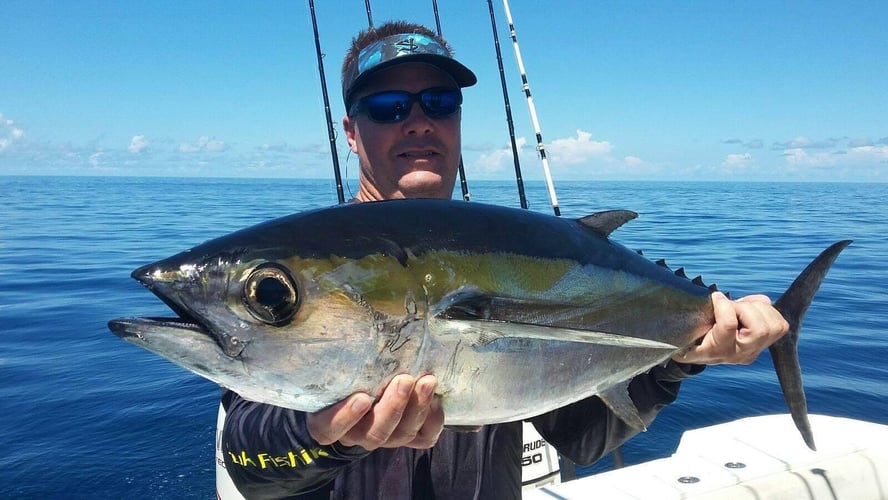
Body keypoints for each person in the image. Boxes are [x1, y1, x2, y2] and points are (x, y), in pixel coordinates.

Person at [220, 20, 788, 499]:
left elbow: (584, 439)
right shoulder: (313, 263)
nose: (419, 121)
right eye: (389, 107)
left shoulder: (526, 246)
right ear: (351, 131)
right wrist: (329, 437)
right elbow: (253, 470)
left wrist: (683, 355)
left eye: (439, 103)